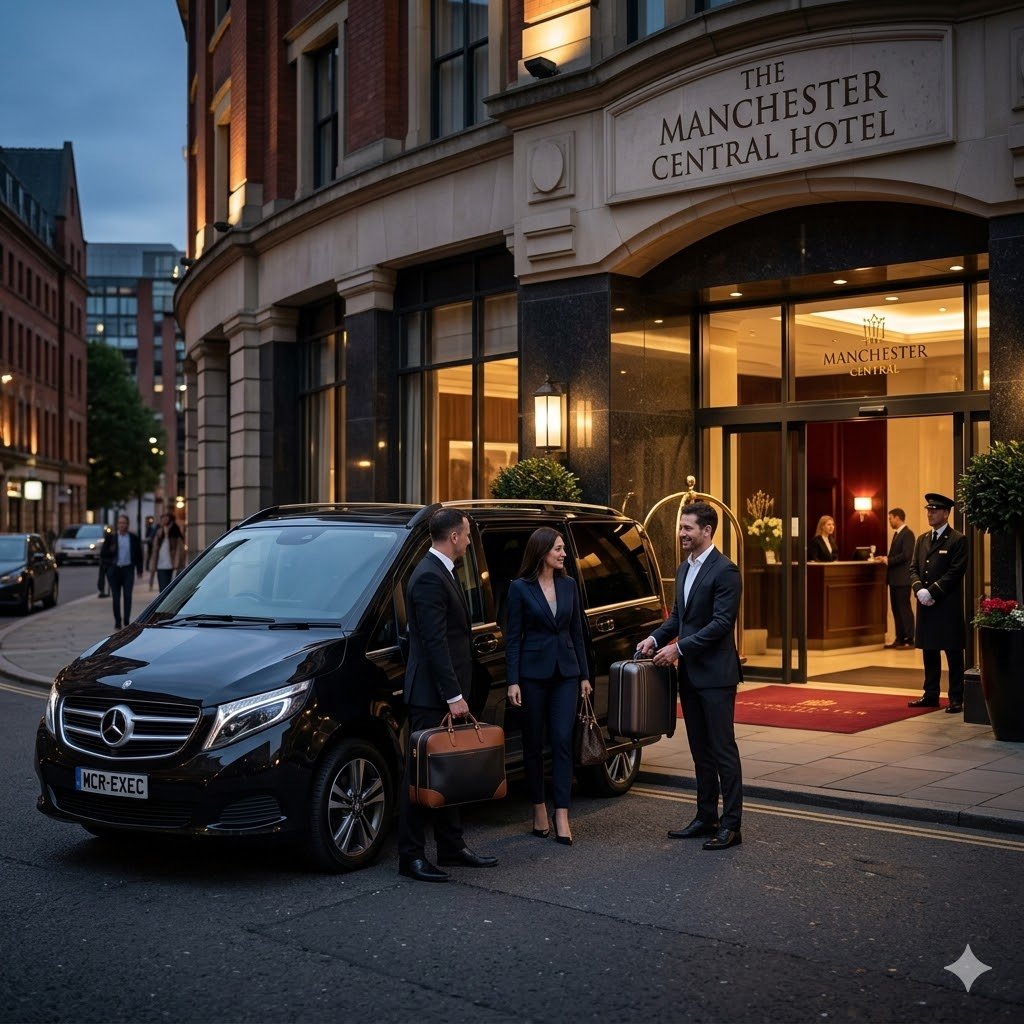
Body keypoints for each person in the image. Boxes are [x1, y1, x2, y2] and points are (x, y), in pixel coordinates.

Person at [397, 507, 498, 883]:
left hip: (442, 691)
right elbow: (435, 644)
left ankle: (452, 847)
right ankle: (411, 857)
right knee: (420, 776)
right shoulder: (427, 577)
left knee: (448, 771)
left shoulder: (441, 571)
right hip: (431, 695)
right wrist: (454, 695)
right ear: (453, 537)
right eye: (468, 535)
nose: (470, 541)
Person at [636, 500, 744, 851]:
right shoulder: (684, 568)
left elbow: (721, 624)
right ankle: (705, 817)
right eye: (681, 527)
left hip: (716, 676)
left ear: (707, 531)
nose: (681, 533)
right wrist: (655, 639)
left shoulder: (726, 570)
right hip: (692, 677)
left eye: (688, 528)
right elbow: (678, 618)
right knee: (700, 750)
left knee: (722, 749)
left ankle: (731, 824)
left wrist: (678, 649)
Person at [505, 528, 592, 846]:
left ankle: (563, 814)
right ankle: (539, 808)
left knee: (561, 741)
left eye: (564, 549)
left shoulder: (569, 585)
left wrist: (584, 675)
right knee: (532, 744)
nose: (564, 553)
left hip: (566, 675)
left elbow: (577, 632)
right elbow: (513, 637)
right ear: (542, 552)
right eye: (558, 548)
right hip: (532, 676)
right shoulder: (519, 589)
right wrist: (513, 679)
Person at [908, 493, 967, 714]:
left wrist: (932, 591)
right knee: (929, 650)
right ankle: (930, 694)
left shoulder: (957, 539)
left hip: (946, 605)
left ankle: (956, 698)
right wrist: (918, 590)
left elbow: (955, 572)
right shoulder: (922, 539)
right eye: (928, 510)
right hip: (926, 603)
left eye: (934, 510)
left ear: (946, 513)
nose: (930, 513)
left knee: (952, 652)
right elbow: (913, 568)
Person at [876, 507, 915, 649]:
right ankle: (899, 638)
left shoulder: (908, 534)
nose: (889, 521)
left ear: (897, 518)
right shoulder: (897, 534)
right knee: (896, 610)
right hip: (894, 579)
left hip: (903, 579)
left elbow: (906, 555)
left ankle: (909, 639)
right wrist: (886, 558)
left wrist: (888, 560)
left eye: (890, 518)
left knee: (904, 608)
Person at [99, 514, 144, 630]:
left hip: (128, 569)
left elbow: (139, 554)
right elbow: (103, 554)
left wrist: (139, 569)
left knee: (128, 596)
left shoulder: (133, 538)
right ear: (117, 525)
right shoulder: (111, 538)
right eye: (120, 523)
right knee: (116, 597)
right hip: (114, 570)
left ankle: (126, 620)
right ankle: (118, 621)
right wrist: (109, 565)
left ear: (128, 524)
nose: (122, 525)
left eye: (124, 523)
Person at [147, 512, 186, 592]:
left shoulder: (175, 530)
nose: (164, 520)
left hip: (172, 564)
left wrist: (178, 562)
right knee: (162, 589)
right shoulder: (158, 530)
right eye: (162, 519)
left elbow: (180, 548)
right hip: (160, 564)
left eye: (166, 518)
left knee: (171, 589)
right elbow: (153, 546)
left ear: (170, 520)